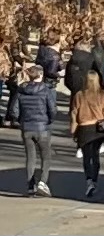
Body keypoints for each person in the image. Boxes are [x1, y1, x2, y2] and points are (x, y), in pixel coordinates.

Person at [68, 69, 104, 198]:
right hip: (97, 128)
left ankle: (89, 180)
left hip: (84, 128)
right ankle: (95, 179)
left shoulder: (79, 95)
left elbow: (74, 113)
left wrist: (73, 129)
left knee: (87, 157)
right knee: (95, 155)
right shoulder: (103, 95)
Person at [15, 64, 57, 197]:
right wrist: (49, 120)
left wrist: (21, 120)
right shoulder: (45, 90)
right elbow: (52, 109)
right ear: (41, 75)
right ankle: (42, 182)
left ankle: (30, 186)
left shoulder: (21, 90)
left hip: (27, 127)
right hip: (42, 127)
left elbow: (14, 110)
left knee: (30, 158)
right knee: (46, 156)